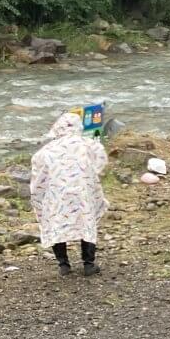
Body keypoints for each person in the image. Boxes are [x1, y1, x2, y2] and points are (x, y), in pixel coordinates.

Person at [31, 112, 108, 277]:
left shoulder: (45, 151)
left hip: (57, 194)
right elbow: (101, 159)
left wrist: (39, 196)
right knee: (86, 221)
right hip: (82, 191)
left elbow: (38, 176)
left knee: (56, 222)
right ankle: (88, 264)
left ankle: (64, 264)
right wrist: (91, 174)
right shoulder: (88, 145)